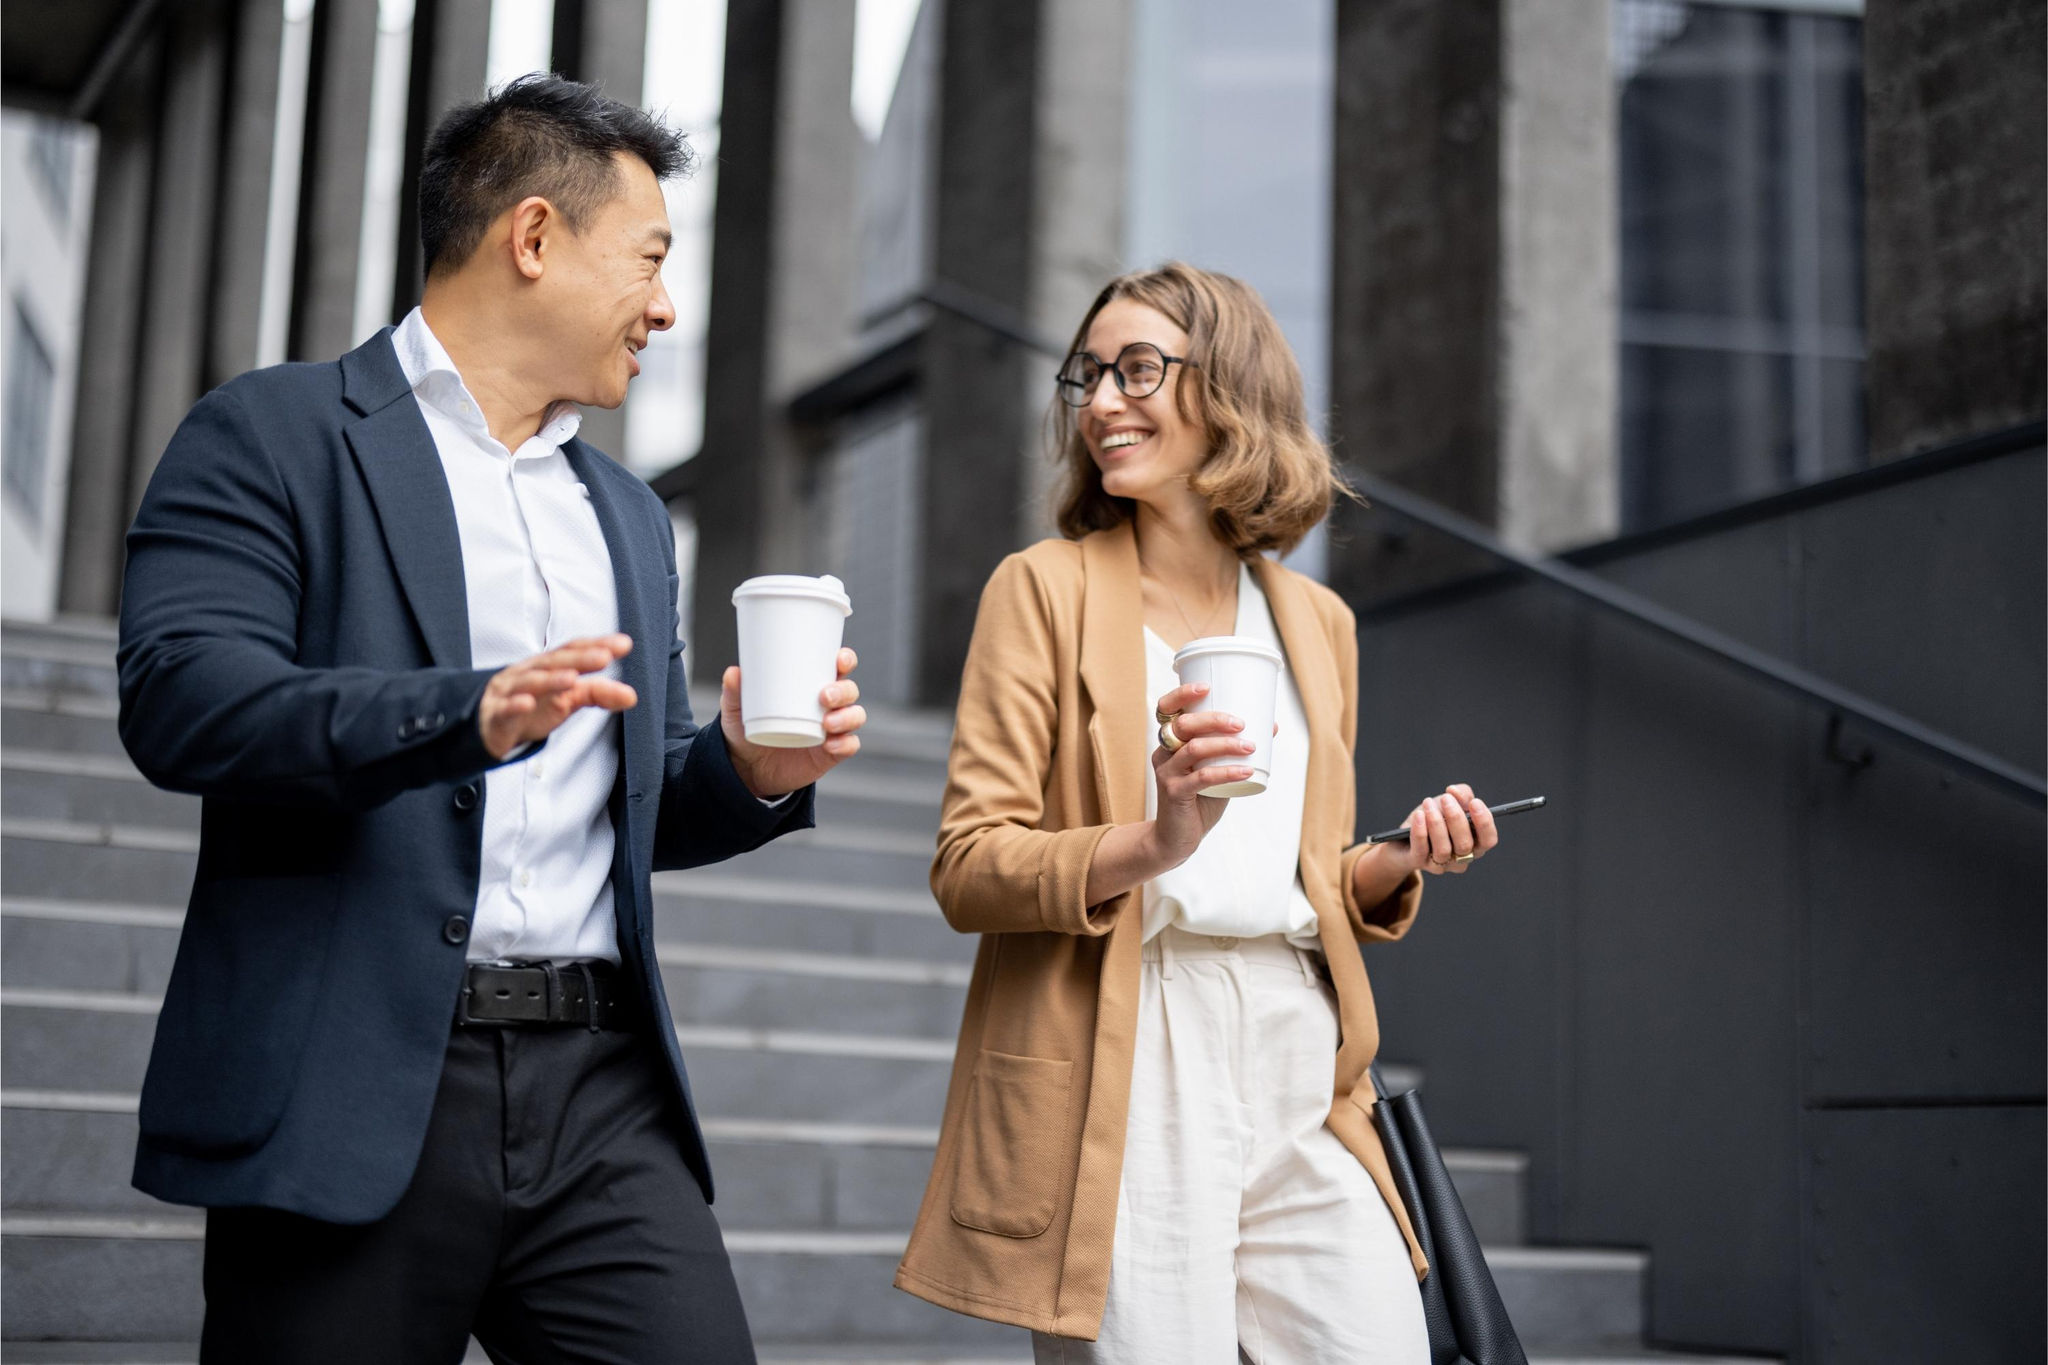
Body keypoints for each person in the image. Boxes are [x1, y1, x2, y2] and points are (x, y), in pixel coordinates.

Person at [116, 75, 862, 1363]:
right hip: (350, 1084)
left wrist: (745, 770)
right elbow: (186, 703)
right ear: (532, 238)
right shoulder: (273, 435)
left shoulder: (626, 514)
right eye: (648, 260)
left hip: (599, 1099)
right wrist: (464, 714)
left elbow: (632, 809)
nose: (667, 307)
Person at [892, 262, 1504, 1362]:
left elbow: (1303, 876)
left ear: (1228, 387)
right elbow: (969, 865)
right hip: (1127, 1035)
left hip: (1299, 1049)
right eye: (1087, 376)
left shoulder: (1316, 621)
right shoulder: (1042, 590)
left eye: (1137, 370)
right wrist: (1156, 838)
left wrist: (1400, 858)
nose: (1100, 402)